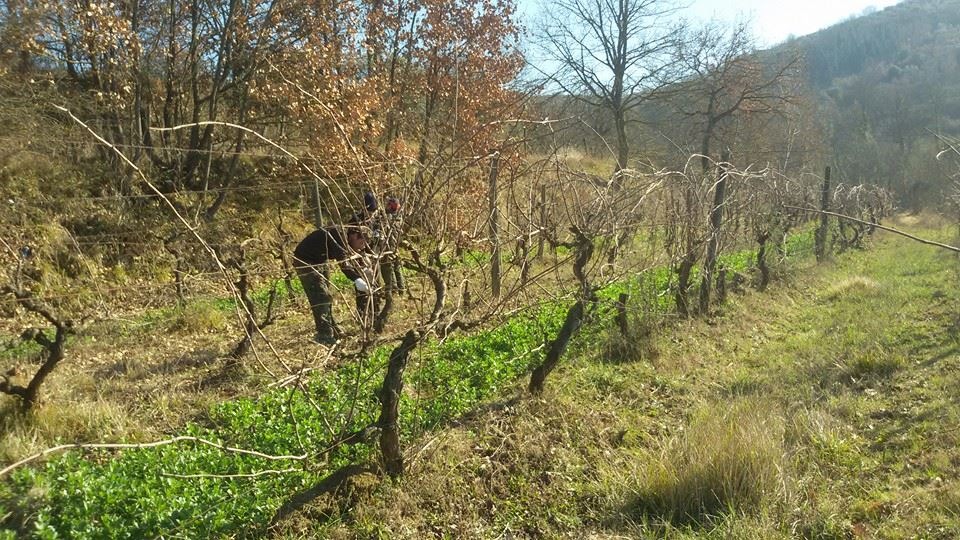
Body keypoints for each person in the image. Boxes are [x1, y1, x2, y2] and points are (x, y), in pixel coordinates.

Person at [293, 223, 372, 345]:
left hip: (320, 260)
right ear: (355, 236)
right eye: (361, 243)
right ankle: (324, 335)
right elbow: (343, 262)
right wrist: (356, 279)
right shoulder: (339, 235)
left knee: (326, 294)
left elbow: (350, 256)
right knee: (321, 297)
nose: (361, 248)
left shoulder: (348, 236)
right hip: (305, 261)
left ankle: (332, 327)